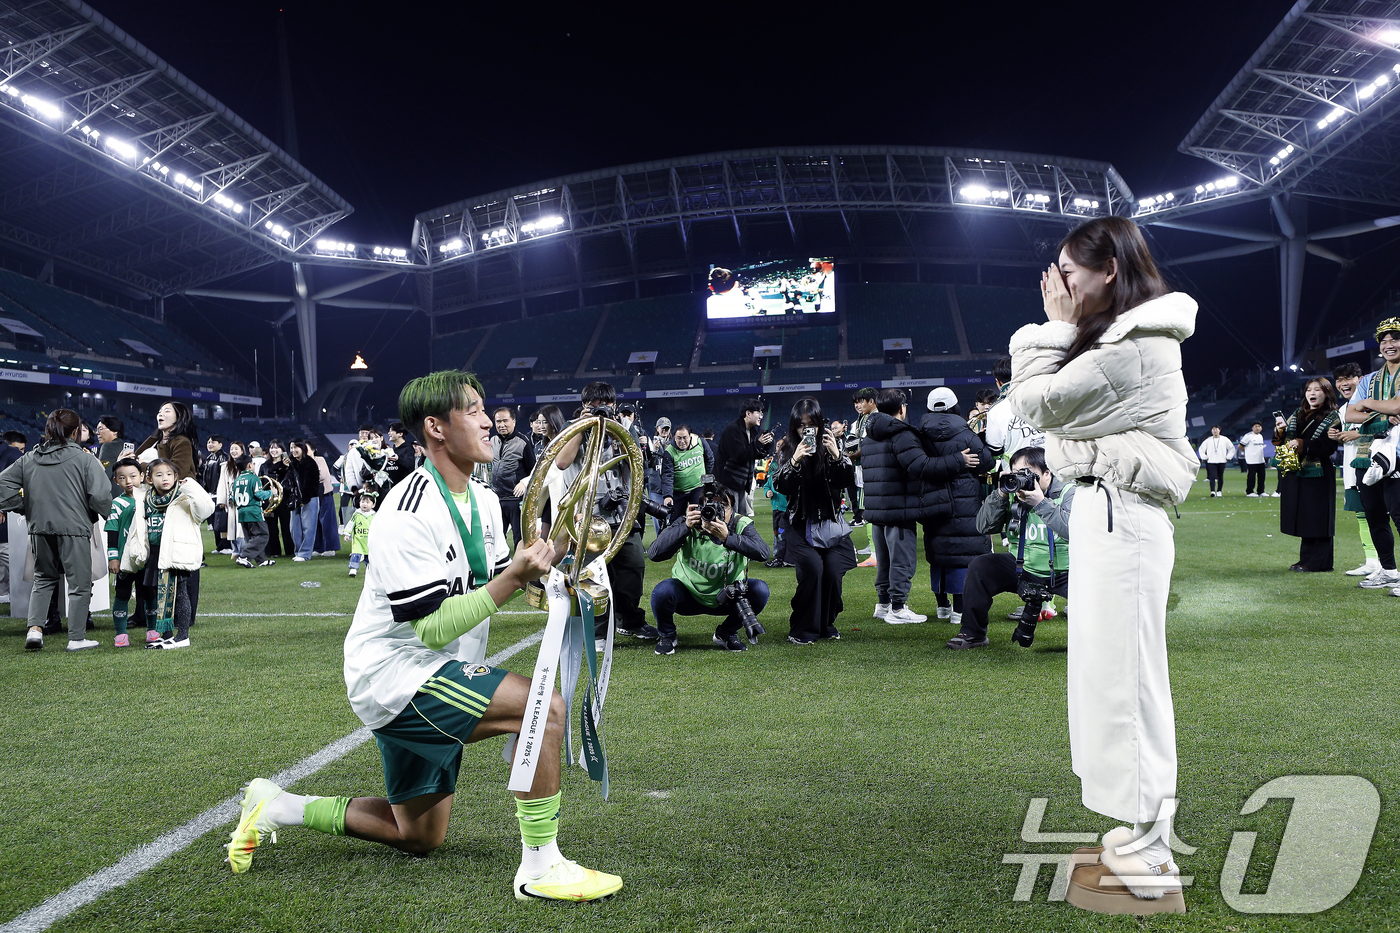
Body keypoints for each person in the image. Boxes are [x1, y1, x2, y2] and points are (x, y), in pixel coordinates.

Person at [225, 369, 623, 902]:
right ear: (436, 427)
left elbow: (497, 583)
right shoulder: (405, 510)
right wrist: (511, 578)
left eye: (486, 410)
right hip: (395, 674)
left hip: (435, 671)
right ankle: (541, 867)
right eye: (474, 410)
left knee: (416, 835)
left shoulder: (482, 500)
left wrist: (557, 576)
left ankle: (277, 805)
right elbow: (433, 626)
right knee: (541, 707)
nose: (488, 421)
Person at [1007, 216, 1195, 913]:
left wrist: (1048, 327)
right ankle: (1139, 826)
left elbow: (1037, 403)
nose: (1061, 284)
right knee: (1104, 683)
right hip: (1104, 515)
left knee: (1129, 684)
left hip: (1126, 520)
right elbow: (1055, 423)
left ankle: (1152, 845)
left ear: (1109, 268)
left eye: (1069, 270)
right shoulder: (1120, 338)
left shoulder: (1137, 343)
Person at [0, 409, 112, 652]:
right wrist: (99, 512)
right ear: (75, 432)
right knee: (80, 584)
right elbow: (101, 495)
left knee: (43, 579)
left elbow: (3, 484)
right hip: (74, 528)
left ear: (48, 430)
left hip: (40, 528)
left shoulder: (29, 458)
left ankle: (35, 631)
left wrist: (25, 508)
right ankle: (76, 638)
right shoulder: (85, 459)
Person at [553, 381, 657, 640]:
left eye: (605, 406)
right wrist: (582, 427)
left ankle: (630, 620)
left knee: (632, 569)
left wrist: (619, 433)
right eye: (594, 406)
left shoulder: (621, 429)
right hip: (588, 517)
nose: (600, 411)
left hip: (621, 515)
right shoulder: (572, 428)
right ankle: (598, 632)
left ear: (614, 406)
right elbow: (562, 462)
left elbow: (637, 464)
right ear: (584, 407)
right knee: (592, 578)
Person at [947, 446, 1074, 649]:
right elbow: (983, 526)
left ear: (1047, 473)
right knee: (980, 567)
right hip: (1022, 566)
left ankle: (1090, 642)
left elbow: (1072, 530)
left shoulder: (1069, 491)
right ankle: (973, 634)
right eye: (1016, 474)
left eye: (1028, 474)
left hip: (1066, 570)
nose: (1021, 479)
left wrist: (1041, 503)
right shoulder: (1013, 491)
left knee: (1096, 589)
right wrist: (1000, 495)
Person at [769, 396, 857, 645]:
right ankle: (802, 628)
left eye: (811, 424)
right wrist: (795, 459)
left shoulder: (832, 444)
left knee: (831, 571)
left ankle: (826, 623)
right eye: (801, 425)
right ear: (794, 426)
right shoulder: (787, 449)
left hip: (830, 525)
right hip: (799, 525)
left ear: (820, 423)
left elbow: (846, 481)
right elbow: (779, 484)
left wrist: (837, 455)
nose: (806, 430)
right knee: (813, 569)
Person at [646, 488, 770, 654]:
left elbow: (763, 553)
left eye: (723, 506)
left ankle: (726, 633)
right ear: (700, 508)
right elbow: (654, 554)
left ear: (732, 509)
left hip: (727, 596)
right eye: (710, 506)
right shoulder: (689, 522)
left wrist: (728, 538)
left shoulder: (740, 523)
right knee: (662, 592)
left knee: (760, 590)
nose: (716, 512)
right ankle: (667, 634)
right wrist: (685, 527)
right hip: (688, 594)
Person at [917, 387, 992, 625]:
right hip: (966, 502)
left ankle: (942, 606)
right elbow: (986, 462)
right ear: (955, 406)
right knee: (964, 554)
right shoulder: (965, 433)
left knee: (939, 552)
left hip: (933, 500)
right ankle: (959, 609)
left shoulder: (920, 434)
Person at [1336, 318, 1400, 592]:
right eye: (1384, 341)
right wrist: (1386, 410)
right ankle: (1388, 570)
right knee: (1374, 513)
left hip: (1397, 452)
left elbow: (1398, 404)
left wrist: (1367, 405)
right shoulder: (1372, 378)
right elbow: (1350, 413)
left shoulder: (1368, 386)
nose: (1389, 345)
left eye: (1394, 339)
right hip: (1367, 452)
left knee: (1399, 514)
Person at [858, 389, 927, 625]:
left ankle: (884, 604)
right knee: (901, 559)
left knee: (884, 559)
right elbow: (919, 467)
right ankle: (898, 607)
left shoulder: (869, 435)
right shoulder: (900, 434)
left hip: (877, 507)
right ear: (902, 408)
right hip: (899, 506)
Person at [1274, 378, 1340, 572]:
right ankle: (1306, 559)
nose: (1312, 393)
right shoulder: (1297, 414)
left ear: (1326, 393)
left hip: (1319, 473)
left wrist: (1301, 444)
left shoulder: (1333, 417)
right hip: (1298, 471)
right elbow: (1282, 441)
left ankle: (1321, 562)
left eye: (1317, 390)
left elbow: (1329, 447)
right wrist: (1279, 432)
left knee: (1319, 517)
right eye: (1309, 389)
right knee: (1306, 517)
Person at [1328, 363, 1382, 576]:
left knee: (1382, 516)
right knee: (1362, 514)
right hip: (1352, 469)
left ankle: (1387, 564)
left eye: (1349, 378)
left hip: (1376, 467)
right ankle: (1372, 561)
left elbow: (1387, 427)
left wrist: (1357, 435)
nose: (1343, 383)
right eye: (1339, 380)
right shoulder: (1343, 409)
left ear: (1361, 379)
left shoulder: (1373, 401)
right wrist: (1338, 437)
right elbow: (1349, 436)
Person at [106, 458, 145, 646]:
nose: (128, 481)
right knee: (122, 594)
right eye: (122, 478)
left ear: (142, 476)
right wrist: (113, 557)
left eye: (133, 476)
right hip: (124, 559)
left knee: (149, 594)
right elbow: (112, 531)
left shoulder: (149, 499)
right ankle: (121, 633)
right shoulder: (117, 503)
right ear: (116, 481)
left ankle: (152, 630)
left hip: (146, 558)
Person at [714, 398, 774, 518]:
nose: (761, 416)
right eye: (759, 412)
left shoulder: (751, 431)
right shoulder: (733, 430)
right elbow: (740, 456)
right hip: (728, 482)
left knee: (740, 519)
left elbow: (756, 454)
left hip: (741, 483)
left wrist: (767, 444)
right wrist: (758, 443)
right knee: (729, 518)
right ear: (748, 413)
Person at [984, 355, 1045, 469]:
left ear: (998, 382)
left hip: (1016, 473)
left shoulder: (996, 410)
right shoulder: (1043, 398)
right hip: (1050, 469)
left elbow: (995, 451)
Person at [491, 407, 536, 547]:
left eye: (505, 420)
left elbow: (533, 470)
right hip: (497, 498)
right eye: (498, 421)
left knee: (519, 537)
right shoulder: (492, 441)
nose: (501, 424)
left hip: (515, 499)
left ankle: (520, 567)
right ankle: (500, 565)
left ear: (514, 422)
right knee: (496, 536)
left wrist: (524, 484)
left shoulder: (523, 442)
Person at [659, 424, 713, 522]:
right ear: (674, 438)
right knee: (675, 521)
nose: (682, 441)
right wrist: (668, 496)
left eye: (685, 438)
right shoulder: (669, 452)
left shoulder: (700, 442)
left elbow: (710, 459)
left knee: (700, 518)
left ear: (690, 436)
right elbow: (667, 475)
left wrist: (706, 479)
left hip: (698, 488)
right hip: (679, 492)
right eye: (679, 438)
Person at [135, 402, 199, 481]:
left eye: (167, 411)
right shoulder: (154, 440)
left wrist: (143, 466)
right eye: (159, 412)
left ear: (179, 417)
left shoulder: (182, 442)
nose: (160, 414)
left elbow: (177, 472)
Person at [232, 454, 275, 569]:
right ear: (250, 465)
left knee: (251, 537)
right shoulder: (254, 478)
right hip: (254, 512)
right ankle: (244, 557)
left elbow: (232, 498)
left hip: (241, 513)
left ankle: (262, 560)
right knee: (262, 535)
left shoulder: (236, 480)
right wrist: (271, 492)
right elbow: (259, 494)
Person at [260, 440, 298, 558]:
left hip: (284, 500)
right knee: (271, 527)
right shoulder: (264, 466)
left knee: (287, 526)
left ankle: (290, 550)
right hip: (269, 500)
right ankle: (273, 551)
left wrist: (288, 467)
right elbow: (260, 481)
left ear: (282, 450)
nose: (274, 450)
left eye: (277, 448)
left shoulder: (287, 464)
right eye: (272, 448)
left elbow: (292, 479)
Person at [0, 431, 25, 602]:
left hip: (9, 518)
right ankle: (3, 592)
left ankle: (20, 593)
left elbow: (19, 486)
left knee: (7, 553)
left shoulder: (12, 455)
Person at [288, 438, 321, 562]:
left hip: (309, 498)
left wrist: (305, 498)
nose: (293, 450)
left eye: (296, 447)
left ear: (302, 448)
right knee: (294, 527)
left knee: (308, 527)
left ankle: (305, 553)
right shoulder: (291, 463)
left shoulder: (310, 463)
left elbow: (313, 484)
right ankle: (298, 551)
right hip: (295, 499)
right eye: (291, 448)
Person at [201, 434, 231, 553]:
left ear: (220, 445)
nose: (210, 444)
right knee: (214, 522)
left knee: (222, 521)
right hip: (210, 494)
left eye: (213, 442)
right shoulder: (209, 458)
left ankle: (227, 546)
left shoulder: (223, 458)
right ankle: (219, 546)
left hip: (219, 494)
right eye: (209, 442)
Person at [1196, 425, 1235, 498]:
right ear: (1211, 431)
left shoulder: (1224, 439)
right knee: (1212, 476)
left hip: (1222, 461)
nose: (1215, 431)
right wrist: (1204, 457)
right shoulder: (1208, 440)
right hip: (1211, 461)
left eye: (1216, 429)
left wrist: (1228, 457)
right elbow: (1201, 449)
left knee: (1220, 477)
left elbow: (1231, 448)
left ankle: (1219, 491)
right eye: (1213, 429)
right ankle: (1212, 491)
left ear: (1219, 430)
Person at [95, 415, 129, 498]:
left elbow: (103, 476)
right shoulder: (123, 446)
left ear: (115, 431)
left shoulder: (107, 447)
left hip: (112, 497)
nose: (97, 432)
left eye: (100, 429)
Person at [343, 491, 376, 577]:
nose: (365, 504)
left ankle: (370, 570)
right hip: (358, 539)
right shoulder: (357, 514)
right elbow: (351, 524)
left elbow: (378, 527)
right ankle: (353, 569)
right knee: (356, 554)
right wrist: (347, 534)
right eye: (363, 502)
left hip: (369, 540)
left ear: (373, 505)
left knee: (369, 556)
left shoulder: (374, 516)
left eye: (368, 502)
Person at [1238, 422, 1268, 497]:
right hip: (1251, 460)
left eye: (1259, 426)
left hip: (1260, 459)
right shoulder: (1248, 436)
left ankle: (1261, 491)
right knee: (1251, 476)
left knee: (1262, 476)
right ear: (1252, 428)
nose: (1257, 428)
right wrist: (1248, 452)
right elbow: (1240, 445)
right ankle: (1250, 491)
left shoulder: (1260, 436)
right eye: (1256, 426)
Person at [385, 421, 416, 488]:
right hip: (391, 487)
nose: (388, 433)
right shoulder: (392, 450)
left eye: (391, 431)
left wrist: (398, 459)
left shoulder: (408, 449)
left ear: (400, 434)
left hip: (404, 487)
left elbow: (409, 465)